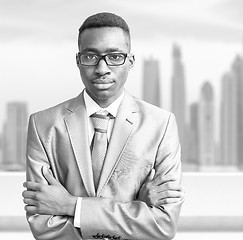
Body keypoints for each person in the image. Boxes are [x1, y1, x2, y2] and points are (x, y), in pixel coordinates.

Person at [22, 12, 184, 240]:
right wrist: (137, 208)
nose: (102, 68)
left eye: (115, 56)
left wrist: (71, 206)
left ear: (130, 61)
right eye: (90, 56)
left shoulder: (161, 124)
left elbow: (163, 226)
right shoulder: (43, 125)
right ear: (78, 60)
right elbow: (44, 226)